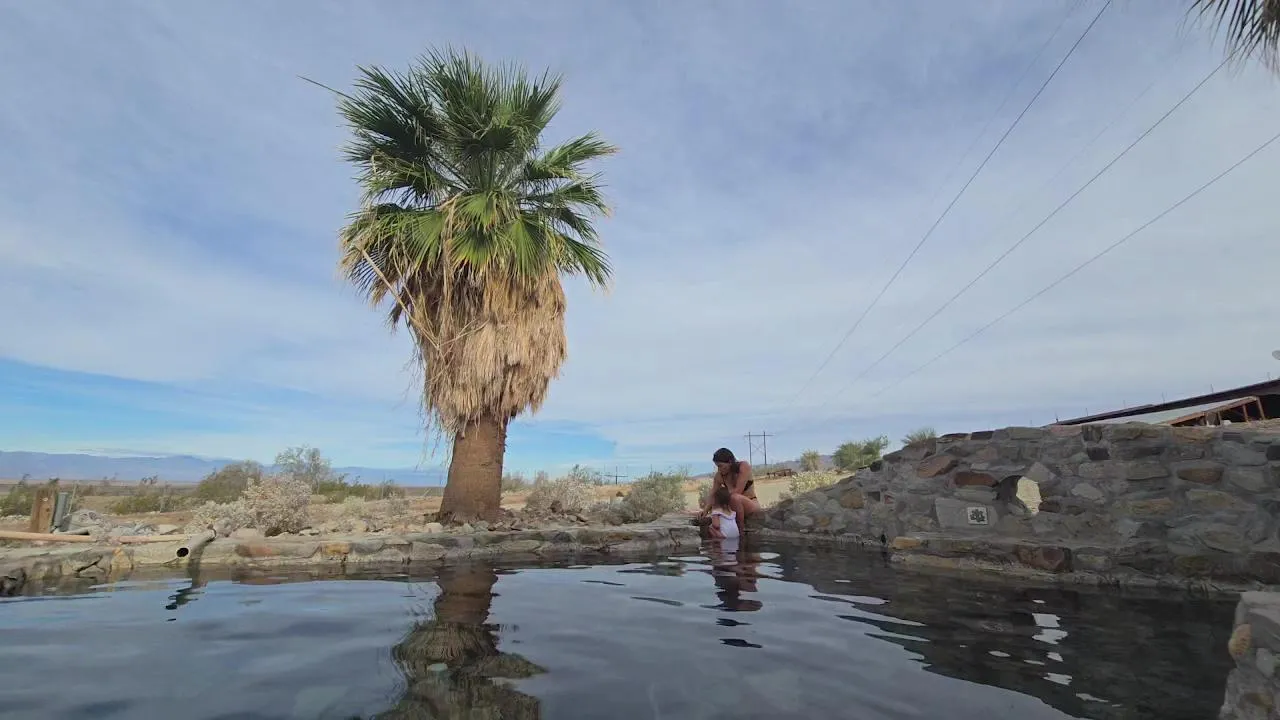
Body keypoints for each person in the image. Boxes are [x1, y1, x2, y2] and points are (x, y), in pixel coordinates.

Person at [701, 447, 761, 535]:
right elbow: (713, 494)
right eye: (717, 466)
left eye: (720, 466)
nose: (719, 469)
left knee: (734, 497)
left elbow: (738, 491)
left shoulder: (743, 466)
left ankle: (740, 531)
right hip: (732, 508)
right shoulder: (719, 476)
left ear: (729, 462)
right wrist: (705, 510)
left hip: (750, 504)